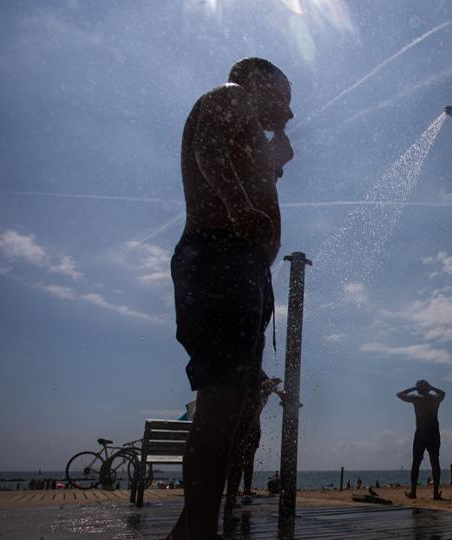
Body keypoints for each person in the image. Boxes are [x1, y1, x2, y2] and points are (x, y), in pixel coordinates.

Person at [167, 57, 294, 540]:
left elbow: (257, 175)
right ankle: (197, 529)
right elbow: (210, 148)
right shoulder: (229, 93)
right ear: (261, 81)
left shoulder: (246, 121)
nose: (289, 109)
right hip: (221, 255)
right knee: (222, 397)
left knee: (236, 400)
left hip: (239, 263)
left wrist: (276, 153)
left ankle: (192, 526)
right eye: (285, 95)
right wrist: (238, 207)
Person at [223, 371, 286, 524]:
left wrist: (278, 391)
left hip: (251, 424)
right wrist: (274, 390)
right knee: (242, 459)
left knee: (243, 459)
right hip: (245, 422)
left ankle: (239, 495)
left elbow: (272, 384)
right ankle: (237, 496)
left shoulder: (261, 386)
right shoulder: (258, 389)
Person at [397, 380, 445, 500]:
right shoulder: (434, 398)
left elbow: (399, 394)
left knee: (417, 463)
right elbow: (443, 393)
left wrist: (414, 388)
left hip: (421, 432)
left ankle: (414, 491)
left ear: (418, 389)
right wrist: (431, 387)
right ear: (428, 389)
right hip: (433, 432)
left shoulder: (417, 398)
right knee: (434, 462)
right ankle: (434, 493)